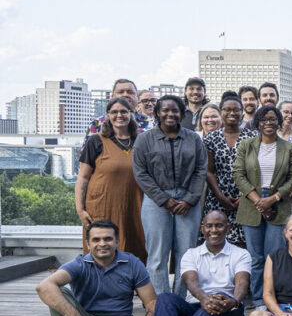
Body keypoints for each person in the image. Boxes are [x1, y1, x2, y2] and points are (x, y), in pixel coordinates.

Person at [141, 210, 251, 316]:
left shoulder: (241, 254)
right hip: (196, 313)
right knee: (165, 298)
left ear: (228, 228)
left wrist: (234, 301)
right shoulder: (191, 254)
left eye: (219, 225)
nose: (214, 230)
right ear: (202, 229)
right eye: (209, 226)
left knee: (217, 301)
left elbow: (242, 282)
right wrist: (204, 298)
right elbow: (190, 281)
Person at [133, 94, 207, 296]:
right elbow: (140, 173)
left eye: (175, 110)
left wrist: (190, 199)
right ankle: (161, 302)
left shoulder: (193, 139)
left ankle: (180, 300)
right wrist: (164, 200)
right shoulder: (144, 140)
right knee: (157, 255)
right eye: (165, 110)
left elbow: (201, 170)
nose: (170, 114)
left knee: (186, 254)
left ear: (181, 113)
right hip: (156, 200)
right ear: (157, 113)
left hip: (187, 200)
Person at [232, 104, 292, 307]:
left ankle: (274, 298)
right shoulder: (247, 145)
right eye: (264, 119)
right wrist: (258, 200)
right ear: (257, 123)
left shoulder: (290, 148)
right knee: (255, 258)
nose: (268, 123)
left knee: (275, 256)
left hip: (278, 204)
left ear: (279, 122)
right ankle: (259, 299)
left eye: (272, 119)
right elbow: (238, 173)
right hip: (251, 203)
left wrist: (273, 199)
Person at [76, 97, 146, 261]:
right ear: (108, 115)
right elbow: (83, 177)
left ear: (132, 114)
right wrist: (80, 209)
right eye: (114, 112)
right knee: (102, 250)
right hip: (102, 206)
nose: (119, 115)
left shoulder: (142, 141)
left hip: (134, 206)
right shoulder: (96, 141)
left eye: (124, 111)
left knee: (135, 251)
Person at [202, 94, 258, 248]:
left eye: (236, 110)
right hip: (217, 198)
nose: (232, 113)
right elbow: (209, 171)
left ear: (242, 112)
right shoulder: (210, 139)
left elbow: (256, 171)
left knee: (244, 246)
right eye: (227, 110)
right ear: (221, 112)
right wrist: (220, 196)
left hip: (247, 198)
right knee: (216, 243)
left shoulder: (253, 137)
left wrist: (245, 196)